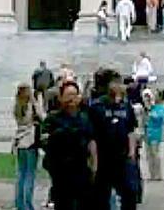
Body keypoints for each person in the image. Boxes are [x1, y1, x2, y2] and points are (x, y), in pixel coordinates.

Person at [42, 81, 97, 210]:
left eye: (74, 95)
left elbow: (91, 141)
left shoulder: (85, 118)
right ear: (61, 98)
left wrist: (94, 166)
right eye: (68, 95)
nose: (71, 99)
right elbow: (45, 141)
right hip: (61, 172)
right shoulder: (53, 119)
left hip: (82, 170)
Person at [88, 73, 139, 210]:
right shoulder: (97, 107)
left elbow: (131, 129)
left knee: (130, 192)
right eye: (115, 83)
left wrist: (132, 153)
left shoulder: (125, 105)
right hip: (104, 158)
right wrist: (94, 162)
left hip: (123, 157)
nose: (119, 86)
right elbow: (92, 136)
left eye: (120, 83)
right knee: (101, 197)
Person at [13, 82, 45, 210]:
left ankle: (19, 203)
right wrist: (35, 100)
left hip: (19, 140)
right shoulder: (30, 105)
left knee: (21, 173)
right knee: (30, 174)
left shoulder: (17, 106)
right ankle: (28, 204)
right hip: (30, 141)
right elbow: (41, 116)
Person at [143, 89, 164, 181]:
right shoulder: (152, 106)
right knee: (148, 154)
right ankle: (152, 174)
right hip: (147, 131)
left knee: (155, 153)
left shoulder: (162, 107)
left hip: (155, 132)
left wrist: (150, 112)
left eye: (156, 95)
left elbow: (158, 118)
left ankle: (158, 174)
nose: (155, 96)